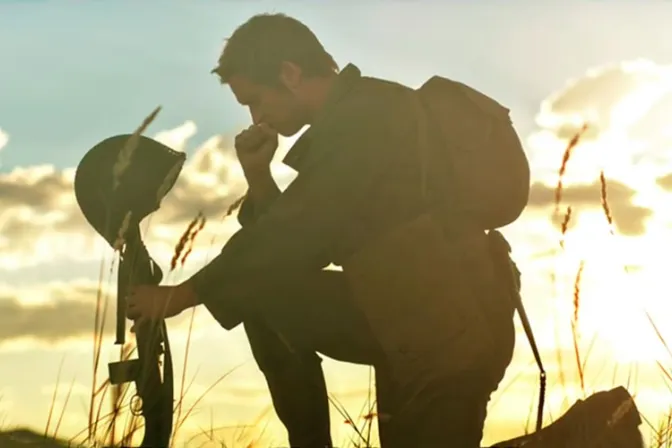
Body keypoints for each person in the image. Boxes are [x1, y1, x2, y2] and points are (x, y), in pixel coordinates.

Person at [127, 13, 524, 447]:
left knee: (257, 285)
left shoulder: (369, 119)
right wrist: (259, 176)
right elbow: (303, 229)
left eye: (257, 100)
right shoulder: (353, 119)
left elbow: (298, 234)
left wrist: (181, 295)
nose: (257, 116)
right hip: (407, 321)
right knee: (259, 293)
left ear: (290, 74)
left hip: (452, 336)